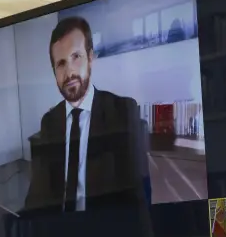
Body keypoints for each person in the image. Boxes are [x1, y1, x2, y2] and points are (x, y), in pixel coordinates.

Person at [23, 16, 152, 213]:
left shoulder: (122, 111)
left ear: (90, 58)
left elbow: (138, 198)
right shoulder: (49, 122)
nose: (69, 73)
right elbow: (37, 196)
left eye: (76, 57)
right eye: (61, 64)